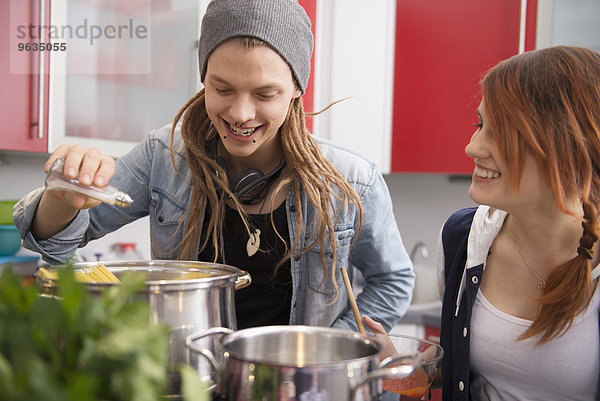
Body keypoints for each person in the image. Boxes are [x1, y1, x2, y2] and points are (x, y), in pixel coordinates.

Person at [13, 0, 414, 332]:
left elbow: (392, 280)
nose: (241, 113)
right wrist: (65, 196)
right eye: (222, 89)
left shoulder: (352, 179)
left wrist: (336, 347)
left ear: (295, 89)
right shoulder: (162, 155)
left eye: (264, 93)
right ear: (203, 76)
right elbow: (50, 241)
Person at [437, 46, 600, 400]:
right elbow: (465, 368)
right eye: (480, 125)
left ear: (568, 152)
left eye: (501, 133)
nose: (472, 147)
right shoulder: (463, 239)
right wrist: (416, 362)